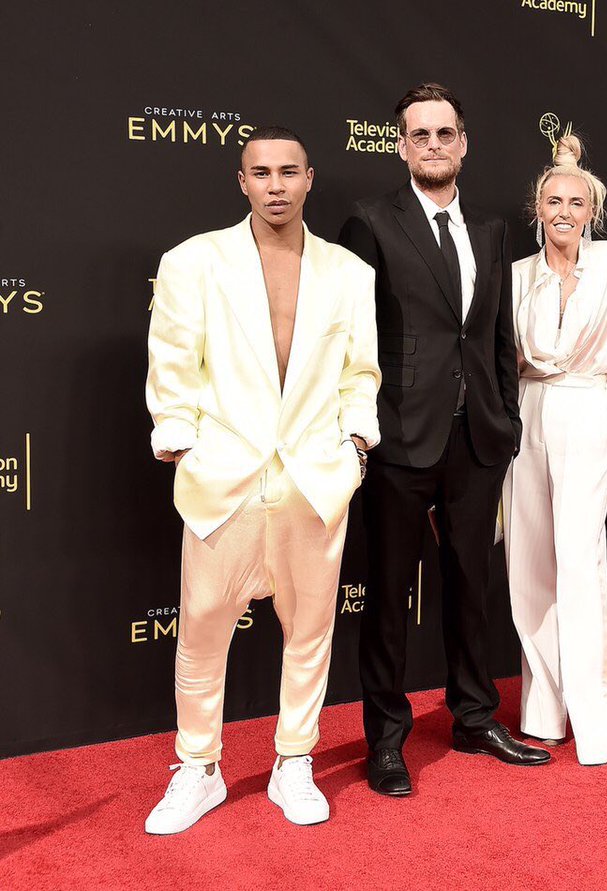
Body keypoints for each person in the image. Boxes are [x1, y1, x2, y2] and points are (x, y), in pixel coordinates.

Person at [144, 126, 380, 833]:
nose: (275, 184)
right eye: (260, 172)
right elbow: (173, 364)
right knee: (204, 630)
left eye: (287, 171)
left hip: (315, 476)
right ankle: (197, 767)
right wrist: (185, 448)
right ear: (240, 180)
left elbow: (360, 372)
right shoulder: (193, 261)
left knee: (309, 630)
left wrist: (357, 445)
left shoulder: (349, 272)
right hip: (225, 477)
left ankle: (294, 759)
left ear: (311, 178)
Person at [340, 83, 550, 799]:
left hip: (478, 438)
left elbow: (495, 335)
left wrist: (507, 419)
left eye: (445, 133)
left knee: (472, 589)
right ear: (400, 145)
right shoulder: (370, 222)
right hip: (399, 436)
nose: (433, 145)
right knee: (390, 598)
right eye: (419, 135)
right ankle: (387, 741)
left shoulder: (491, 230)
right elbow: (353, 337)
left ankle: (473, 716)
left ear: (465, 142)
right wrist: (363, 430)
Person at [503, 134, 607, 765]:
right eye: (553, 200)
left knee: (581, 566)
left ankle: (597, 720)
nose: (564, 210)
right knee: (529, 565)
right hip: (528, 416)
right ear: (537, 209)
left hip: (587, 412)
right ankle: (543, 711)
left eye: (576, 202)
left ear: (593, 211)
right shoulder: (515, 277)